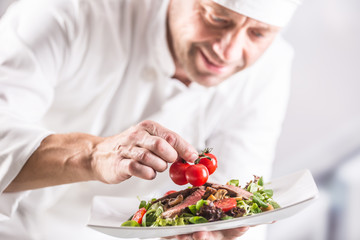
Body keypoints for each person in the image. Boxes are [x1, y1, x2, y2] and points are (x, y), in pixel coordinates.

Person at [0, 0, 301, 239]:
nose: (229, 51)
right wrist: (93, 156)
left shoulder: (268, 71)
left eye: (258, 33)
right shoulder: (70, 10)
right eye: (216, 18)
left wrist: (214, 233)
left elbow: (245, 209)